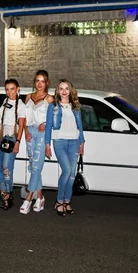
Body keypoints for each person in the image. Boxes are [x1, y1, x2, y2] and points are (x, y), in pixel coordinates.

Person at [45, 79, 85, 216]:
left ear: (70, 90)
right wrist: (47, 145)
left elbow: (80, 126)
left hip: (74, 142)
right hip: (60, 141)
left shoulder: (76, 106)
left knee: (72, 175)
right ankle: (59, 201)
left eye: (66, 88)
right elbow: (48, 126)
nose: (63, 91)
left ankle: (67, 201)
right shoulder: (54, 106)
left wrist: (82, 143)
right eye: (61, 88)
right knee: (67, 171)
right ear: (57, 91)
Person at [20, 70, 54, 214]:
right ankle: (40, 197)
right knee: (33, 166)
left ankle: (28, 198)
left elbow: (54, 118)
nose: (40, 84)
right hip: (30, 133)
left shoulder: (50, 99)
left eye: (42, 81)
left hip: (41, 133)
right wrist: (26, 131)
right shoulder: (28, 97)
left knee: (36, 167)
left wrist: (45, 123)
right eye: (37, 81)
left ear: (47, 83)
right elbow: (24, 116)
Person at [0, 78, 26, 210]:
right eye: (7, 89)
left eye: (12, 89)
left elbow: (22, 125)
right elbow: (4, 118)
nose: (9, 92)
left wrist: (18, 142)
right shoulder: (5, 101)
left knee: (6, 167)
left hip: (11, 139)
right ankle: (4, 194)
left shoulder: (21, 105)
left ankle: (9, 193)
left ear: (18, 89)